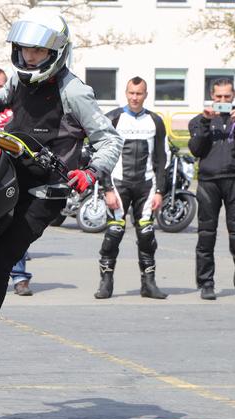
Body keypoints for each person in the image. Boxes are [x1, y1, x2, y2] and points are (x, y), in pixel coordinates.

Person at [0, 9, 123, 379]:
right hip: (6, 179)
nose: (29, 57)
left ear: (55, 52)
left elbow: (109, 139)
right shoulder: (20, 81)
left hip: (44, 194)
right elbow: (2, 96)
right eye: (24, 49)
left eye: (37, 51)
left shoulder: (74, 91)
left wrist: (90, 171)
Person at [94, 76, 168, 300]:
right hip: (118, 184)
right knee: (114, 232)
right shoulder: (113, 118)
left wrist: (160, 191)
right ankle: (106, 282)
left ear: (146, 95)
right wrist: (106, 188)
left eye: (139, 93)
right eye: (131, 93)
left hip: (146, 185)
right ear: (126, 93)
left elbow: (161, 158)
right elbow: (102, 156)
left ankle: (149, 284)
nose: (135, 97)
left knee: (146, 234)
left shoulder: (155, 120)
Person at [188, 79, 235, 302]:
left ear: (233, 95)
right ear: (211, 97)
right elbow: (196, 150)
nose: (222, 100)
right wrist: (206, 122)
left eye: (226, 97)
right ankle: (206, 283)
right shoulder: (199, 120)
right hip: (208, 182)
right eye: (218, 97)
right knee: (206, 235)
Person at [0, 67, 32, 296]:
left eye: (0, 86)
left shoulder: (16, 111)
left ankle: (20, 277)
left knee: (15, 225)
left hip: (12, 176)